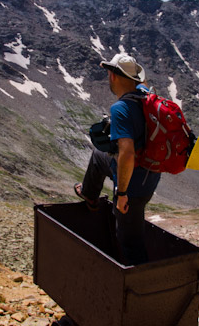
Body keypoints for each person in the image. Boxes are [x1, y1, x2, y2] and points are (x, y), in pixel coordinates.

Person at [74, 52, 161, 266]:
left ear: (112, 77)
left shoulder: (121, 108)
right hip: (151, 175)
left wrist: (122, 193)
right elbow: (143, 83)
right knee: (99, 155)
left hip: (134, 186)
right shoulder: (146, 96)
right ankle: (89, 194)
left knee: (129, 240)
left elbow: (127, 153)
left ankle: (141, 289)